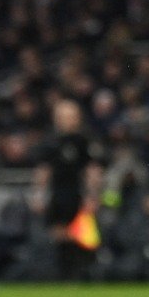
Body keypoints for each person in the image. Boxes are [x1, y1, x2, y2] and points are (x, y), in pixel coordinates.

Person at [37, 99, 103, 281]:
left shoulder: (85, 140)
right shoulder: (50, 141)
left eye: (69, 116)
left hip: (78, 194)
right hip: (58, 194)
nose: (65, 120)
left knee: (81, 236)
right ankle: (62, 276)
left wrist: (92, 195)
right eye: (61, 117)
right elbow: (44, 171)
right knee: (58, 234)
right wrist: (39, 195)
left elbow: (93, 170)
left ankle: (81, 275)